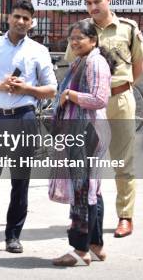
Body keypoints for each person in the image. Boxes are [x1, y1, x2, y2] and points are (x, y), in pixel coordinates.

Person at [0, 0, 57, 253]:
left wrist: (26, 88)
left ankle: (13, 236)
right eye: (16, 16)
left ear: (31, 23)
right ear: (8, 18)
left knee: (20, 180)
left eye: (26, 19)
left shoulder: (39, 50)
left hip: (23, 118)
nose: (20, 22)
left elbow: (51, 89)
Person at [65, 0, 143, 238]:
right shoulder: (81, 31)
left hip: (120, 101)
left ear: (108, 0)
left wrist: (121, 89)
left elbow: (138, 65)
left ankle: (125, 216)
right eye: (88, 3)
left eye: (97, 1)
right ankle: (87, 216)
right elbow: (73, 66)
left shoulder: (127, 28)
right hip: (90, 105)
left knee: (123, 162)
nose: (93, 7)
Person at [50, 20, 114, 266]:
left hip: (87, 132)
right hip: (84, 129)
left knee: (81, 189)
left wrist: (69, 95)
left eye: (80, 38)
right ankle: (96, 244)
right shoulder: (82, 60)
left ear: (93, 40)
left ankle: (80, 250)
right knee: (91, 188)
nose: (75, 42)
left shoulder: (94, 62)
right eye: (72, 38)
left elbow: (99, 98)